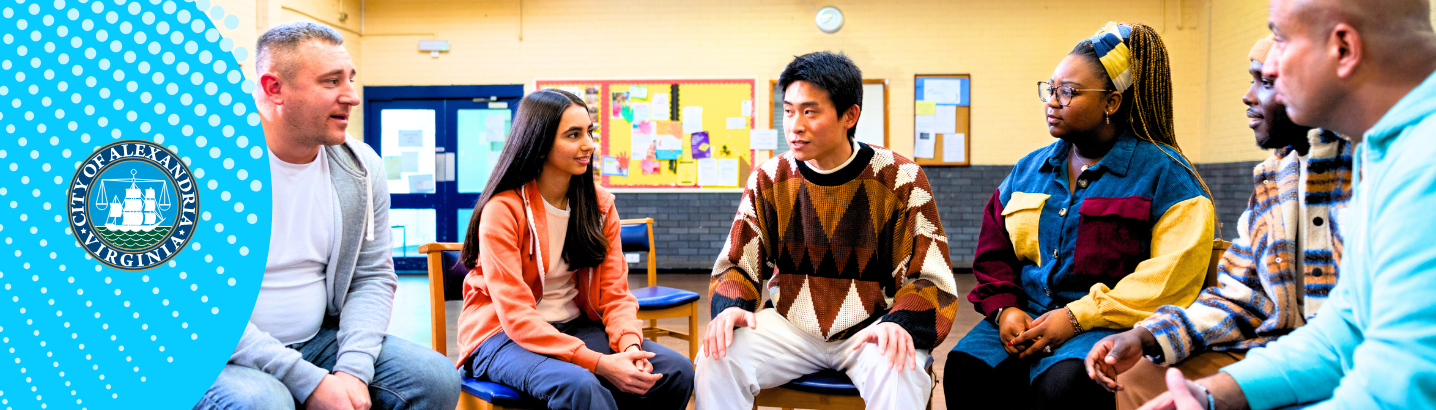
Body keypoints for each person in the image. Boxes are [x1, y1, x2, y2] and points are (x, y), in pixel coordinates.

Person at [1137, 0, 1436, 409]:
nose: (1271, 69)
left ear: (1343, 49)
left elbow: (1398, 393)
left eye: (1280, 38)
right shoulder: (1386, 150)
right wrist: (1213, 396)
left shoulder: (1424, 164)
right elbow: (1342, 333)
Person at [945, 22, 1217, 409]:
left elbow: (1170, 281)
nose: (1052, 102)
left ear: (1111, 103)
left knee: (1065, 387)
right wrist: (1005, 308)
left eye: (1068, 92)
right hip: (1026, 313)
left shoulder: (1167, 176)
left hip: (1106, 324)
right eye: (1050, 89)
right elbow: (994, 252)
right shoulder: (1029, 170)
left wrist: (1073, 317)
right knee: (966, 368)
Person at [195, 22, 460, 410]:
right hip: (215, 350)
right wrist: (309, 382)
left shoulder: (361, 166)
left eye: (350, 79)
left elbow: (372, 276)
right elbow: (198, 304)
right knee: (265, 401)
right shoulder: (202, 168)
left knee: (434, 378)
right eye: (331, 82)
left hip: (319, 340)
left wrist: (352, 371)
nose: (352, 96)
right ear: (274, 89)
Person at [1083, 35, 1354, 410]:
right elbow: (1242, 296)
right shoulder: (1275, 180)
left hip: (1345, 367)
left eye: (1267, 82)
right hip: (1277, 350)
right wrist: (1147, 336)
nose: (1248, 96)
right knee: (1133, 376)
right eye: (1252, 78)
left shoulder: (1374, 172)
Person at [694, 51, 959, 410]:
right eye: (788, 111)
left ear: (850, 115)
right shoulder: (770, 178)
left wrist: (903, 323)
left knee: (903, 366)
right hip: (789, 327)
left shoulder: (901, 177)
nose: (794, 125)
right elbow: (738, 263)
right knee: (716, 355)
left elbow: (930, 278)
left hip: (873, 326)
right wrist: (729, 307)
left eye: (810, 111)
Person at [455, 89, 694, 410]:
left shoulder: (599, 205)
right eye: (574, 135)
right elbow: (516, 315)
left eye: (589, 132)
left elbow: (614, 294)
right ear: (539, 145)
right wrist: (597, 362)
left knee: (675, 370)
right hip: (500, 336)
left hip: (573, 325)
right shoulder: (503, 210)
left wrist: (629, 346)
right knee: (581, 385)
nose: (589, 145)